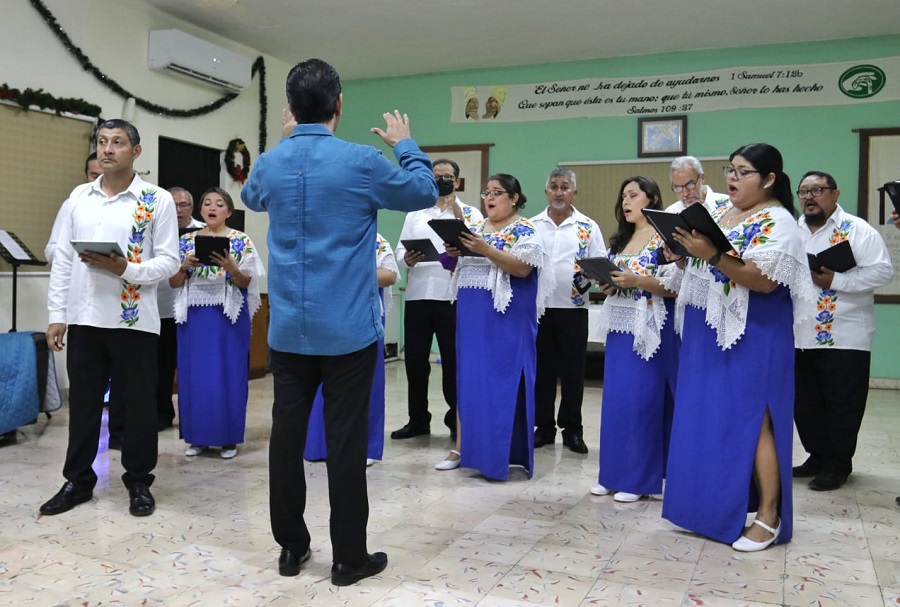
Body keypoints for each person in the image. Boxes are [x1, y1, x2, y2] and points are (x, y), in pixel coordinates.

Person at [241, 58, 437, 584]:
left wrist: (286, 143)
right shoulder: (361, 160)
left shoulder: (272, 161)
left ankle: (291, 548)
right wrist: (405, 143)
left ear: (291, 108)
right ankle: (349, 559)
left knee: (286, 438)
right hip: (347, 330)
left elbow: (250, 196)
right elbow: (423, 191)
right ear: (339, 105)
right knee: (344, 445)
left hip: (286, 331)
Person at [663, 143, 815, 552]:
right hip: (704, 328)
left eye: (743, 171)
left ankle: (768, 515)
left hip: (754, 332)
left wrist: (710, 254)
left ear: (768, 179)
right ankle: (707, 507)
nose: (732, 178)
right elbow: (704, 269)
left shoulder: (778, 221)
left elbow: (763, 280)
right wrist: (682, 256)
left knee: (756, 419)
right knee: (707, 416)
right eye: (730, 169)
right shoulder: (722, 214)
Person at [40, 119, 179, 517]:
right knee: (83, 405)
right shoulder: (79, 198)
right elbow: (64, 260)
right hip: (84, 318)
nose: (107, 149)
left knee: (137, 406)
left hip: (133, 321)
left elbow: (169, 261)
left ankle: (138, 482)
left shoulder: (156, 200)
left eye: (117, 142)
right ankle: (78, 480)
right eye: (102, 141)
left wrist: (126, 270)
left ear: (136, 152)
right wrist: (57, 315)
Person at [435, 174, 551, 480]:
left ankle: (498, 455)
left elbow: (523, 268)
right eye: (486, 192)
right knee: (470, 382)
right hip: (472, 317)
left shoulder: (525, 229)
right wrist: (454, 250)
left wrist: (485, 249)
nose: (490, 197)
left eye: (498, 193)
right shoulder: (477, 229)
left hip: (506, 320)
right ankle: (463, 448)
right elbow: (451, 265)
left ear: (514, 198)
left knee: (500, 383)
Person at [792, 171, 893, 491]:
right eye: (803, 191)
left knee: (842, 403)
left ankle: (838, 464)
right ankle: (817, 456)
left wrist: (838, 281)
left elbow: (883, 271)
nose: (809, 197)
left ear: (835, 194)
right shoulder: (791, 231)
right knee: (805, 402)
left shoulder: (857, 230)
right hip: (799, 333)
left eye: (817, 190)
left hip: (846, 334)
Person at [590, 176, 680, 502]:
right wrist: (611, 283)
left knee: (643, 403)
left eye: (633, 195)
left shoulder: (663, 237)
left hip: (651, 328)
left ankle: (639, 479)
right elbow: (622, 280)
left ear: (652, 199)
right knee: (616, 402)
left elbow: (673, 286)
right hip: (620, 326)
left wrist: (635, 280)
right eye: (623, 196)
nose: (625, 202)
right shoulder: (623, 239)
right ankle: (611, 473)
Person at [168, 187, 265, 459]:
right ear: (201, 211)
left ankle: (228, 439)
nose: (212, 207)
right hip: (193, 319)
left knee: (228, 374)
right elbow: (174, 283)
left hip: (228, 318)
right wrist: (184, 266)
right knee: (194, 375)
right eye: (207, 203)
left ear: (229, 212)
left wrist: (232, 268)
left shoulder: (240, 240)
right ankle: (197, 437)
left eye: (219, 204)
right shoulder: (186, 241)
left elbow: (248, 282)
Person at [392, 159, 483, 441]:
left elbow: (480, 253)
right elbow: (398, 252)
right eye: (437, 177)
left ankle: (457, 419)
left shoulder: (472, 214)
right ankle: (418, 419)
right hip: (418, 295)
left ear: (457, 181)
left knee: (453, 361)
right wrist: (406, 258)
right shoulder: (415, 214)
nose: (443, 181)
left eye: (448, 177)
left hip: (453, 297)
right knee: (415, 361)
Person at [304, 234, 399, 466]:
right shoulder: (319, 235)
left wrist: (350, 272)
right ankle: (320, 445)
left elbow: (390, 275)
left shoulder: (372, 238)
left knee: (364, 383)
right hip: (323, 316)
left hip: (363, 317)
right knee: (319, 381)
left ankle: (364, 446)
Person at [530, 168, 606, 454]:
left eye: (565, 187)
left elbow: (598, 263)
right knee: (543, 371)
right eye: (554, 186)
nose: (559, 192)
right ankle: (544, 428)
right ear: (546, 191)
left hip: (574, 308)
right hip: (539, 308)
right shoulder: (533, 224)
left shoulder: (588, 226)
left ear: (574, 192)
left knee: (574, 372)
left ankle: (573, 430)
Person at [44, 152, 103, 263]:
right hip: (76, 276)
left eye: (104, 176)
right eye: (94, 176)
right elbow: (51, 250)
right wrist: (78, 254)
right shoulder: (71, 203)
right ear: (85, 175)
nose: (99, 181)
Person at [665, 156, 729, 215]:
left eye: (689, 185)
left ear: (702, 177)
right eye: (678, 188)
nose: (685, 193)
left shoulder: (728, 204)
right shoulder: (670, 212)